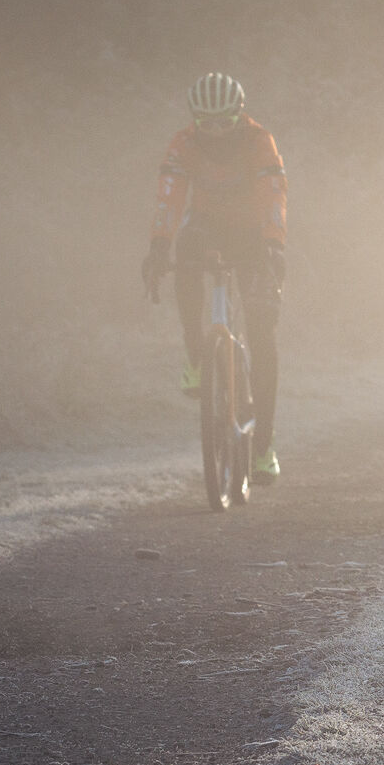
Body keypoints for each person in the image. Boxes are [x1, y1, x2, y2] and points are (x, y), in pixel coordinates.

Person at [145, 72, 287, 484]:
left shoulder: (259, 140)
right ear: (195, 120)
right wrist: (158, 246)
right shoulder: (184, 143)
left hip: (254, 234)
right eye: (206, 123)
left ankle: (263, 444)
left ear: (239, 116)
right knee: (186, 253)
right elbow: (169, 194)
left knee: (262, 334)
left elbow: (273, 192)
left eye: (224, 122)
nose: (216, 131)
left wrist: (274, 244)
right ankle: (195, 355)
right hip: (206, 226)